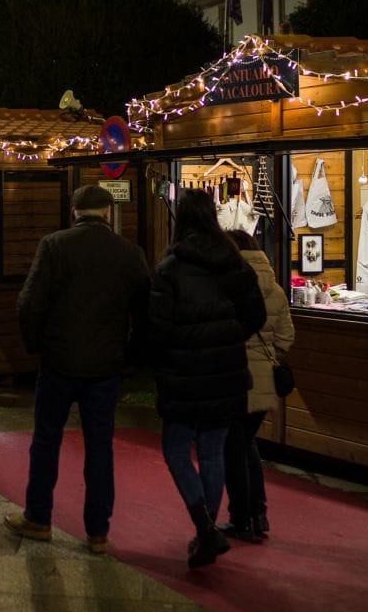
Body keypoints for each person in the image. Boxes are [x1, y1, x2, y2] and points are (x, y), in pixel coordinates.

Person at [4, 185, 151, 555]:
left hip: (58, 362)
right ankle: (98, 532)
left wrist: (36, 345)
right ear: (108, 211)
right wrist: (129, 355)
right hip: (105, 366)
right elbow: (148, 314)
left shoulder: (54, 246)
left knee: (46, 440)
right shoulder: (129, 253)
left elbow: (28, 303)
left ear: (74, 211)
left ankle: (38, 518)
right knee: (100, 447)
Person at [149, 188, 267, 569]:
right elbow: (257, 316)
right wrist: (229, 338)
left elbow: (158, 330)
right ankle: (207, 531)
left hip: (183, 375)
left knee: (176, 451)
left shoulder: (170, 267)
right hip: (226, 374)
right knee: (214, 452)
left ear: (180, 220)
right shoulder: (235, 263)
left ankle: (205, 528)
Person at [222, 230, 296, 541]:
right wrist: (269, 358)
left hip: (235, 375)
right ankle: (257, 514)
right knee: (245, 443)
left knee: (233, 447)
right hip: (264, 376)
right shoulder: (276, 287)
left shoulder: (230, 285)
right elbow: (286, 336)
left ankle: (244, 517)